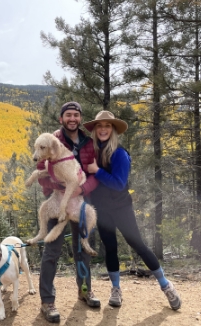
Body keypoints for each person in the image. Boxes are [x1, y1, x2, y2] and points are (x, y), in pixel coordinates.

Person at [83, 110, 182, 310]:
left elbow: (119, 184)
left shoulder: (119, 153)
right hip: (101, 210)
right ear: (95, 130)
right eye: (99, 126)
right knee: (110, 248)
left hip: (121, 208)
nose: (103, 129)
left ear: (113, 130)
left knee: (138, 244)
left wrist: (97, 171)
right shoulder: (92, 152)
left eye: (107, 125)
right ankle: (116, 289)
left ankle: (166, 285)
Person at [37, 101, 100, 323]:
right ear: (61, 119)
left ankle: (84, 291)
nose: (72, 119)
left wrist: (81, 189)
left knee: (81, 251)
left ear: (80, 118)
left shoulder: (87, 142)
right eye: (68, 115)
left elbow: (93, 175)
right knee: (51, 251)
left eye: (76, 115)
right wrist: (60, 188)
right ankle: (47, 301)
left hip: (81, 201)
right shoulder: (51, 140)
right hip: (57, 202)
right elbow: (40, 170)